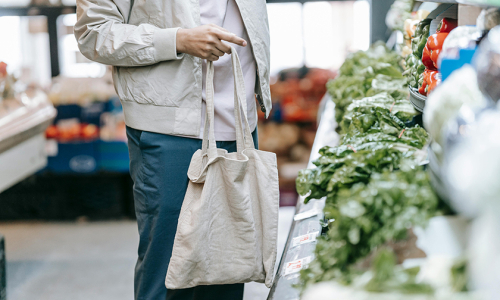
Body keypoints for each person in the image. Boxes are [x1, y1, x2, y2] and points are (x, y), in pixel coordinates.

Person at [74, 0, 271, 300]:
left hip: (239, 125)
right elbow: (93, 32)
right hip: (169, 129)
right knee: (168, 276)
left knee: (228, 272)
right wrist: (177, 39)